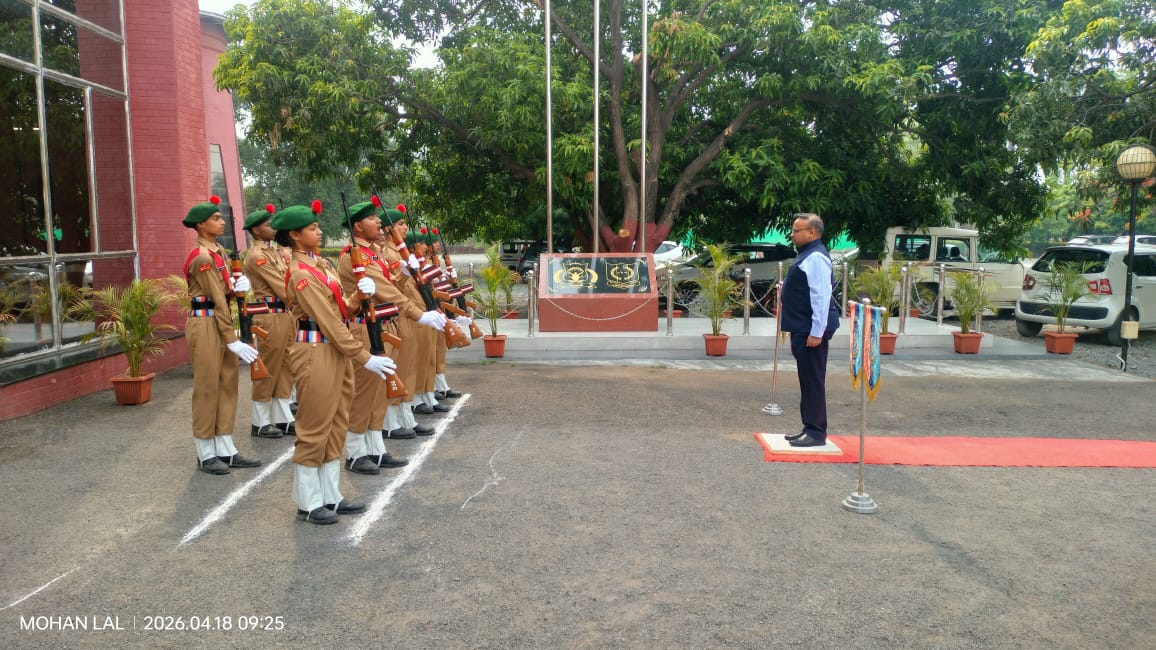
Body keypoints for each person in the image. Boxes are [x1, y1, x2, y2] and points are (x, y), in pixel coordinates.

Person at [273, 201, 391, 524]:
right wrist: (364, 356)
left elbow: (340, 309)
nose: (319, 230)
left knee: (337, 423)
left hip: (334, 351)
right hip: (315, 351)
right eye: (312, 228)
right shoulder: (300, 274)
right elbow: (328, 321)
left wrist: (358, 297)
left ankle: (331, 495)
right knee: (314, 428)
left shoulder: (322, 266)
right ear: (295, 236)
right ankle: (309, 502)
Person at [336, 199, 438, 474]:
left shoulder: (374, 255)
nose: (379, 222)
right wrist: (419, 314)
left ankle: (375, 448)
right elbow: (384, 291)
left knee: (379, 392)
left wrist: (404, 275)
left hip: (384, 326)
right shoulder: (352, 256)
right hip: (366, 329)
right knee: (364, 393)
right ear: (358, 225)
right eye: (372, 219)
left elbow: (392, 285)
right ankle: (356, 453)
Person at [182, 196, 262, 474]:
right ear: (201, 225)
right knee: (207, 387)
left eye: (220, 217)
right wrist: (232, 338)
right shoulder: (202, 257)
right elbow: (216, 298)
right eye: (216, 218)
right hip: (206, 324)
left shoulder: (219, 254)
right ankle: (205, 452)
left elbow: (226, 293)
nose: (221, 221)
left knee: (227, 382)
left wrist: (239, 286)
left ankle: (225, 446)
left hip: (220, 321)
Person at [779, 212, 841, 447]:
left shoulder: (815, 257)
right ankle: (809, 426)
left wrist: (817, 331)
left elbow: (820, 296)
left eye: (797, 231)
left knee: (812, 379)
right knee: (807, 378)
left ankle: (816, 431)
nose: (792, 235)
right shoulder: (807, 254)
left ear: (812, 232)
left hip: (810, 329)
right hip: (802, 326)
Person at [241, 204, 296, 439]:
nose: (272, 227)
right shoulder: (257, 256)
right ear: (255, 231)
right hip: (270, 315)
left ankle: (283, 417)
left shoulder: (274, 253)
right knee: (268, 368)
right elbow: (282, 286)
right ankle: (260, 422)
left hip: (284, 314)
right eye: (267, 224)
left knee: (285, 367)